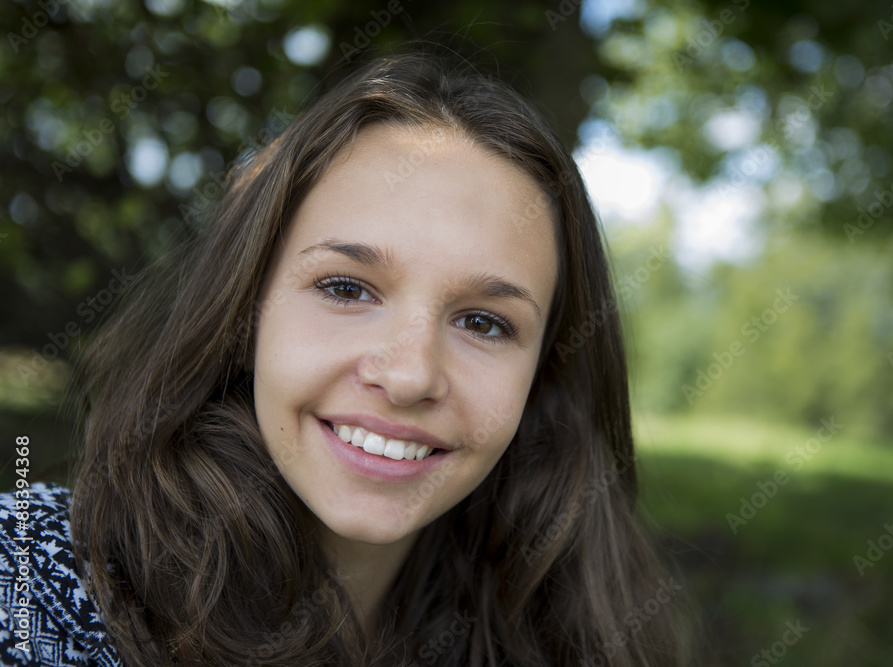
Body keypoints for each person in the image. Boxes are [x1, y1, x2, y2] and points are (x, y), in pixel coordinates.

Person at [0, 51, 693, 666]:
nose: (409, 373)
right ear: (247, 308)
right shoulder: (28, 589)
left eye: (483, 321)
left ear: (544, 373)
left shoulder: (572, 633)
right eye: (346, 287)